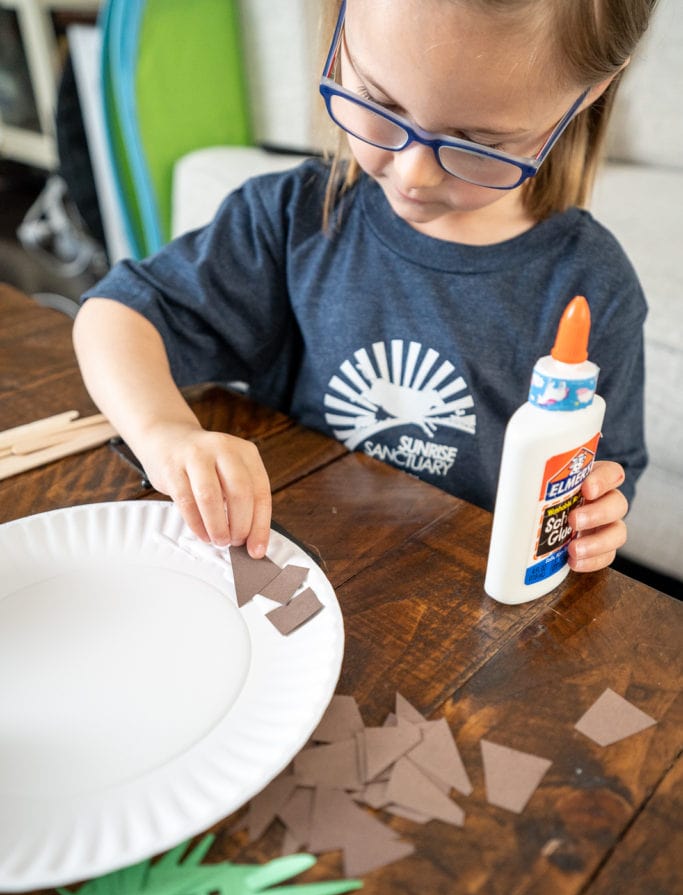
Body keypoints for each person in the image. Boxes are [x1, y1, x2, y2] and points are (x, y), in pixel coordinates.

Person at [73, 0, 656, 574]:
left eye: (478, 143)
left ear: (590, 93)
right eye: (380, 104)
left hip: (466, 607)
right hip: (285, 570)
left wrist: (596, 515)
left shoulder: (594, 287)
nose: (412, 175)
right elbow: (116, 316)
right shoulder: (291, 218)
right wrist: (167, 437)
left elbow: (605, 470)